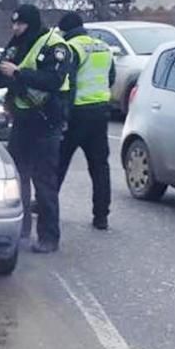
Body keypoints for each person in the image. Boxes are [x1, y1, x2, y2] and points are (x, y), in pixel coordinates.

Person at [0, 4, 73, 254]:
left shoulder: (54, 45)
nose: (16, 28)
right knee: (18, 178)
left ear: (32, 23)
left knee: (44, 182)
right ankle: (20, 231)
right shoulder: (16, 43)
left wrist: (19, 72)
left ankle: (49, 237)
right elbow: (7, 71)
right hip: (22, 120)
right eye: (14, 24)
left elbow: (53, 80)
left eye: (20, 24)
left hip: (47, 121)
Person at [56, 12, 116, 230]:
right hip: (100, 112)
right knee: (100, 167)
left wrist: (63, 116)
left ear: (65, 30)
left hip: (77, 114)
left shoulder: (72, 48)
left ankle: (47, 205)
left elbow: (67, 84)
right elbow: (110, 78)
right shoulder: (103, 46)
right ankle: (101, 216)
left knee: (58, 162)